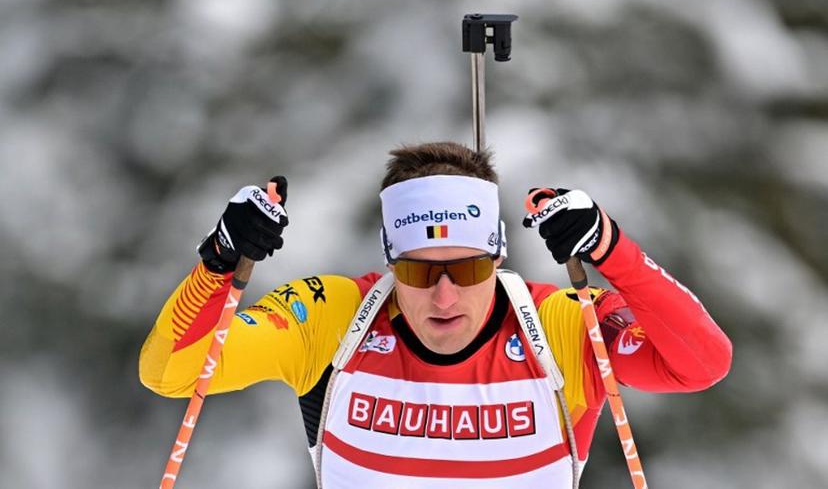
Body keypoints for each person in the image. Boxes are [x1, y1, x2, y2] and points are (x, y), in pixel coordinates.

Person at [139, 141, 732, 488]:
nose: (445, 297)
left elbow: (701, 364)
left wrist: (610, 247)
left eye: (469, 270)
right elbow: (171, 372)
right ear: (391, 259)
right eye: (421, 272)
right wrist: (219, 260)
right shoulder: (333, 318)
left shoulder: (559, 325)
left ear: (498, 255)